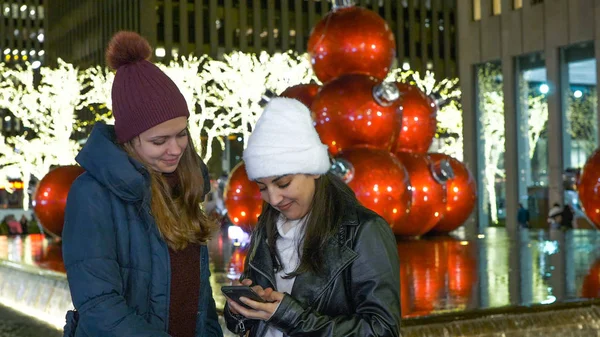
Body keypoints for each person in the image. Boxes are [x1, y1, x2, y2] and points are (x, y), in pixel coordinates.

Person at [62, 31, 222, 337]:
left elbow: (200, 298)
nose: (175, 149)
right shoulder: (91, 195)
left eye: (181, 134)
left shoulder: (184, 185)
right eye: (159, 141)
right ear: (129, 141)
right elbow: (99, 305)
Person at [223, 98, 401, 337]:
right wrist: (241, 310)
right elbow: (245, 326)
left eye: (283, 183)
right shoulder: (266, 228)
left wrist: (291, 316)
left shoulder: (363, 231)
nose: (274, 199)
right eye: (262, 187)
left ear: (314, 169)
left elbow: (383, 330)